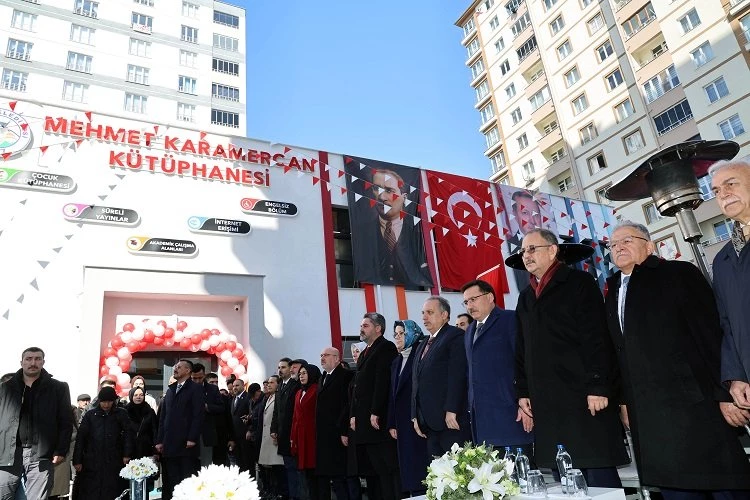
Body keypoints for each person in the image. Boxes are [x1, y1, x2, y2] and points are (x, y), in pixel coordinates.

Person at [605, 221, 750, 496]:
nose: (618, 247)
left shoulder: (678, 273)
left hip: (696, 407)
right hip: (650, 417)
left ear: (649, 245)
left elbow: (710, 335)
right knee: (675, 489)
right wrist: (624, 401)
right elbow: (618, 352)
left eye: (627, 240)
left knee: (723, 484)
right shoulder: (612, 290)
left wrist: (725, 391)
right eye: (613, 245)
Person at [513, 229, 627, 486]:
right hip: (546, 403)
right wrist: (523, 392)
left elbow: (597, 337)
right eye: (523, 251)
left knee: (597, 475)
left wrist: (598, 385)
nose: (526, 255)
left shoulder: (579, 283)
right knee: (563, 476)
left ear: (552, 250)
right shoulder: (525, 296)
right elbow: (521, 349)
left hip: (583, 397)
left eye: (532, 249)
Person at [461, 279, 533, 456]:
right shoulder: (469, 331)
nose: (469, 306)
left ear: (490, 297)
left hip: (511, 415)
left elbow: (524, 363)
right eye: (466, 302)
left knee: (518, 469)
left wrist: (525, 402)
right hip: (482, 422)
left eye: (473, 299)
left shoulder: (510, 320)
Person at [0, 347, 73, 500]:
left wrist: (61, 450)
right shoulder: (5, 388)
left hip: (41, 454)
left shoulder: (58, 388)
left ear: (43, 362)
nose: (33, 363)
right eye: (28, 359)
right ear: (21, 362)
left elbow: (65, 422)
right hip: (8, 452)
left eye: (37, 359)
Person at [709, 160, 750, 410]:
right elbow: (727, 324)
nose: (723, 194)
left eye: (730, 184)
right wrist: (736, 376)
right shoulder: (722, 260)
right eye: (716, 191)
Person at [353, 168, 433, 287]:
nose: (381, 197)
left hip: (414, 293)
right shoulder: (361, 231)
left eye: (389, 190)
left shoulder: (417, 232)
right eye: (376, 188)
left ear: (404, 197)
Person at [411, 297, 471, 457]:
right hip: (429, 423)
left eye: (430, 312)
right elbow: (416, 382)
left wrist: (452, 409)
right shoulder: (423, 344)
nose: (424, 317)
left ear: (444, 315)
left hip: (450, 421)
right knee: (437, 469)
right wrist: (415, 416)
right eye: (423, 313)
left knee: (458, 467)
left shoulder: (455, 336)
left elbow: (457, 376)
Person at [350, 312, 400, 500]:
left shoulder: (386, 347)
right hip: (364, 421)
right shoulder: (365, 352)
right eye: (361, 326)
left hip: (378, 421)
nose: (361, 329)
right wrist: (354, 415)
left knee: (387, 468)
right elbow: (357, 387)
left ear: (378, 328)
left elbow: (382, 382)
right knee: (374, 471)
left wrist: (375, 411)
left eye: (366, 325)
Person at [387, 320, 429, 498]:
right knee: (408, 467)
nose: (397, 337)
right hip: (402, 422)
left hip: (418, 420)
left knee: (420, 467)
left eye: (401, 333)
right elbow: (392, 394)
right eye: (395, 334)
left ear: (412, 333)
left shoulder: (421, 354)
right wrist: (391, 422)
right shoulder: (396, 361)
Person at [155, 359, 205, 500]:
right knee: (171, 480)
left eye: (179, 367)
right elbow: (163, 418)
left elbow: (198, 415)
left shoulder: (195, 389)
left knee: (186, 481)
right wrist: (159, 440)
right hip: (169, 444)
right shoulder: (171, 390)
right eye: (175, 366)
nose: (175, 369)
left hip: (186, 445)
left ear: (188, 370)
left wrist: (192, 438)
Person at [73, 386, 133, 500]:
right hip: (93, 459)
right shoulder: (90, 415)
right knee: (92, 489)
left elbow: (128, 435)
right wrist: (77, 460)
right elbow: (81, 438)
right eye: (103, 402)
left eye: (109, 402)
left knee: (112, 488)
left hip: (114, 458)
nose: (106, 405)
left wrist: (127, 454)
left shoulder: (121, 414)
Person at [316, 347, 354, 500]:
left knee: (342, 476)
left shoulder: (346, 376)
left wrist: (344, 430)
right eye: (321, 355)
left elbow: (347, 404)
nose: (322, 358)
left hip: (338, 433)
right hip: (325, 435)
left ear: (337, 358)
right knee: (331, 475)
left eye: (326, 355)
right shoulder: (323, 377)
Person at [271, 357, 301, 500]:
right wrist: (273, 429)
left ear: (290, 369)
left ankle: (296, 496)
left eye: (283, 367)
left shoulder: (295, 385)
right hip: (282, 434)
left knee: (295, 468)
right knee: (288, 467)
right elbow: (276, 411)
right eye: (279, 367)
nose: (280, 370)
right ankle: (290, 494)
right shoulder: (280, 387)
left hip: (292, 433)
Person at [291, 364, 321, 500]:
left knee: (315, 473)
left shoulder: (317, 389)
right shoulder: (298, 392)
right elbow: (295, 418)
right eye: (300, 374)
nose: (301, 376)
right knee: (305, 473)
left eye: (304, 373)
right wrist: (293, 437)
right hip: (300, 437)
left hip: (313, 436)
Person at [191, 363, 225, 467]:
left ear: (204, 375)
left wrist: (207, 407)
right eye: (194, 378)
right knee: (189, 466)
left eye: (200, 378)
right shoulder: (186, 388)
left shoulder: (212, 389)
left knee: (205, 464)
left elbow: (221, 407)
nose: (197, 381)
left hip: (206, 433)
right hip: (188, 432)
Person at [259, 376, 285, 500]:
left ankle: (279, 492)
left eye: (272, 383)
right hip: (267, 437)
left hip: (274, 437)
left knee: (277, 467)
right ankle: (271, 491)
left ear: (278, 384)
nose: (268, 385)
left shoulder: (278, 397)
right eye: (268, 383)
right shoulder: (268, 397)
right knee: (268, 468)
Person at [229, 378, 252, 472]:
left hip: (245, 435)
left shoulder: (248, 397)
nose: (234, 388)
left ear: (243, 386)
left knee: (247, 460)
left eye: (237, 385)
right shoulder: (234, 398)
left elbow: (251, 415)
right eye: (234, 386)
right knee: (239, 461)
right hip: (236, 436)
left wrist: (249, 429)